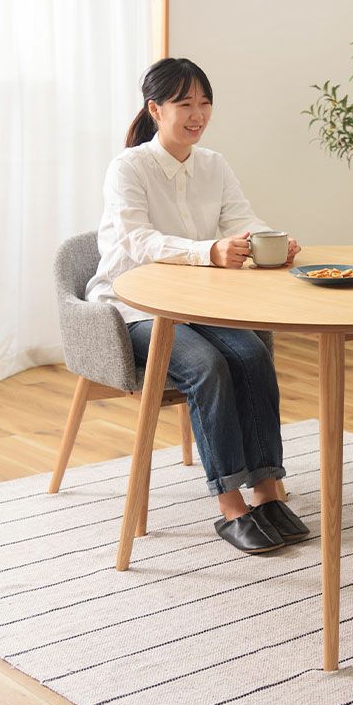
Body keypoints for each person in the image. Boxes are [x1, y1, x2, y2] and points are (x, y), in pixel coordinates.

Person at [86, 57, 308, 555]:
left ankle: (267, 491)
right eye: (185, 104)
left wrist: (272, 240)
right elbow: (137, 239)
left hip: (198, 302)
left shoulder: (214, 164)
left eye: (205, 103)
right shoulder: (129, 167)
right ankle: (231, 506)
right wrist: (208, 251)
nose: (197, 114)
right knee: (207, 367)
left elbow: (241, 219)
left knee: (253, 356)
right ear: (155, 109)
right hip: (135, 308)